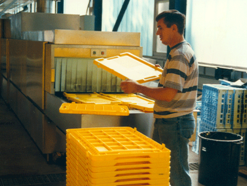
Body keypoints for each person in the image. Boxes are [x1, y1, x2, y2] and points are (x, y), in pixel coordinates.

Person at [120, 10, 198, 186]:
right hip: (168, 122)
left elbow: (168, 94)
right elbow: (174, 84)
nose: (157, 33)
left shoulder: (179, 55)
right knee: (158, 169)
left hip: (174, 123)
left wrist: (137, 87)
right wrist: (159, 72)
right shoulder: (179, 51)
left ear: (174, 28)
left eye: (160, 28)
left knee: (177, 176)